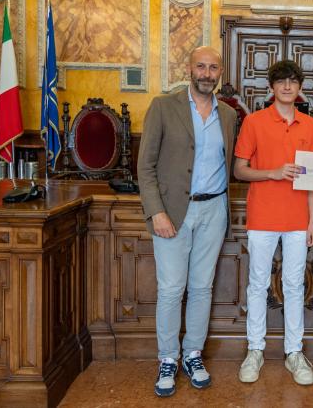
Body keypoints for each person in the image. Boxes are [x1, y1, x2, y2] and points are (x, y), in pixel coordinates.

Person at [138, 46, 237, 396]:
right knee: (170, 289)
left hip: (214, 210)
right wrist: (156, 211)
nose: (207, 74)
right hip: (173, 211)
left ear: (220, 73)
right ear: (189, 69)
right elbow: (145, 166)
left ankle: (193, 354)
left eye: (213, 68)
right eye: (201, 67)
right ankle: (168, 358)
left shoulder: (228, 115)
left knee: (201, 287)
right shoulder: (163, 107)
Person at [234, 60, 313, 386]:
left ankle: (294, 352)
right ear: (271, 87)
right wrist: (272, 172)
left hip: (298, 218)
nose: (287, 86)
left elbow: (312, 179)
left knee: (294, 285)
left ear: (300, 88)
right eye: (281, 81)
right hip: (263, 216)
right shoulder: (254, 122)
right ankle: (255, 350)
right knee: (257, 283)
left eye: (293, 81)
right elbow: (239, 170)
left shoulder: (309, 125)